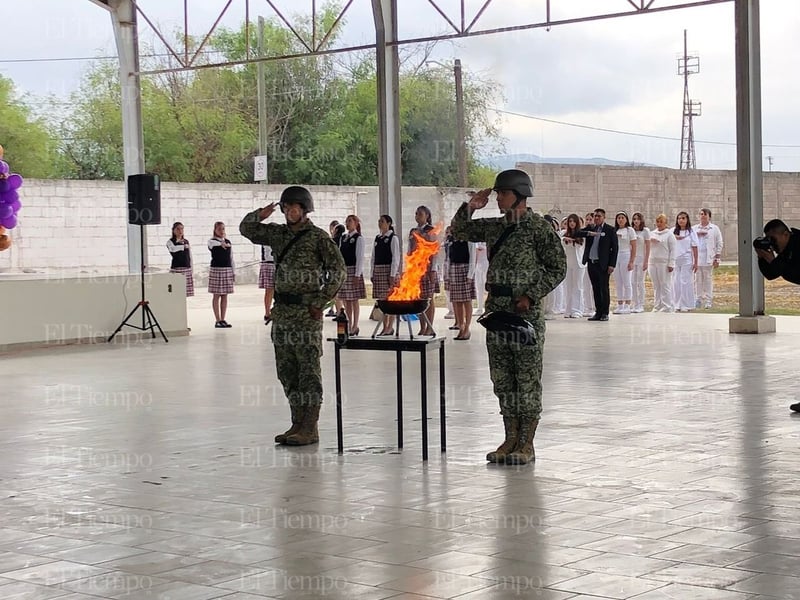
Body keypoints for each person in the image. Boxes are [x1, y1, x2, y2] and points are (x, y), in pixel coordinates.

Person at [451, 169, 566, 465]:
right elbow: (460, 231)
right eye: (498, 193)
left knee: (526, 379)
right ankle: (509, 438)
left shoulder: (538, 228)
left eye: (503, 193)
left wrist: (531, 294)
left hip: (524, 313)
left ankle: (526, 443)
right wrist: (470, 206)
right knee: (502, 378)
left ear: (518, 195)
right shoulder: (495, 227)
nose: (498, 198)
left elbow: (557, 267)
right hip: (497, 310)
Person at [239, 186, 346, 446]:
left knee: (308, 370)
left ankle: (310, 426)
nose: (290, 212)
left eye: (295, 208)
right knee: (287, 370)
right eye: (287, 208)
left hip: (306, 312)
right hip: (283, 312)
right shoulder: (277, 234)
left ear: (305, 210)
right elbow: (247, 230)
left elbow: (339, 271)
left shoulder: (318, 238)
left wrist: (321, 302)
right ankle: (297, 422)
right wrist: (259, 214)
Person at [755, 219, 800, 413]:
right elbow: (773, 274)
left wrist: (775, 261)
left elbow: (797, 275)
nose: (772, 244)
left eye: (773, 240)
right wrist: (763, 258)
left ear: (785, 234)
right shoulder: (784, 249)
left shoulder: (799, 245)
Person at [582, 208, 619, 321]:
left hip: (603, 264)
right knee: (595, 288)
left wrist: (612, 265)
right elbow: (577, 233)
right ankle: (598, 312)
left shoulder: (610, 230)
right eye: (595, 216)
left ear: (604, 217)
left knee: (604, 288)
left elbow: (615, 248)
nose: (597, 218)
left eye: (599, 216)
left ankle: (605, 313)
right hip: (591, 263)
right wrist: (588, 232)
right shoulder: (591, 228)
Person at [409, 205, 439, 335]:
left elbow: (435, 252)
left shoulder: (431, 230)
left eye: (420, 214)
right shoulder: (413, 231)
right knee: (419, 298)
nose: (417, 216)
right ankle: (422, 326)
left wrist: (433, 269)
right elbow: (409, 250)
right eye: (416, 213)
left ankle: (429, 326)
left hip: (427, 267)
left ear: (427, 216)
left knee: (428, 298)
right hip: (416, 268)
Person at [371, 214, 401, 336]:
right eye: (379, 221)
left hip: (388, 270)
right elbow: (373, 257)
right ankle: (384, 326)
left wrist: (392, 274)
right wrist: (372, 272)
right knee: (382, 300)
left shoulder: (393, 238)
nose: (380, 223)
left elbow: (396, 257)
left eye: (382, 221)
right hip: (378, 270)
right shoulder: (377, 238)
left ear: (388, 223)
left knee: (390, 299)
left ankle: (390, 326)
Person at [445, 226, 476, 340]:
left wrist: (470, 275)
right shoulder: (451, 240)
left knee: (466, 301)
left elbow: (473, 257)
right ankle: (461, 326)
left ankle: (467, 328)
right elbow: (449, 258)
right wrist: (448, 274)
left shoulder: (469, 240)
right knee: (457, 301)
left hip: (465, 269)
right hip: (454, 269)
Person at [338, 214, 366, 336]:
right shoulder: (343, 238)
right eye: (347, 221)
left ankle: (355, 325)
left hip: (354, 269)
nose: (347, 223)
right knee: (346, 299)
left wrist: (357, 274)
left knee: (354, 300)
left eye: (350, 221)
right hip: (345, 270)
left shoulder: (358, 238)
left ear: (356, 223)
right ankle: (349, 324)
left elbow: (360, 257)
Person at [695, 208, 724, 309]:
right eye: (701, 214)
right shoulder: (695, 229)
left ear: (709, 217)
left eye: (705, 214)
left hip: (708, 258)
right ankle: (698, 299)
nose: (703, 216)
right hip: (697, 258)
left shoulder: (714, 228)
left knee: (707, 279)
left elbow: (719, 243)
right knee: (698, 279)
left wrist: (717, 257)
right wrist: (698, 234)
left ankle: (708, 300)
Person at [648, 213, 677, 312]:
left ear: (666, 223)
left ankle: (667, 305)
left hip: (664, 262)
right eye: (658, 222)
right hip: (652, 261)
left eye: (661, 222)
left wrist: (671, 263)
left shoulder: (669, 234)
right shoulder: (652, 233)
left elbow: (673, 250)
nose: (659, 224)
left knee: (665, 284)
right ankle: (657, 305)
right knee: (656, 285)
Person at [208, 221, 234, 328]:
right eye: (219, 229)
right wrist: (221, 243)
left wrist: (233, 271)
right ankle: (217, 319)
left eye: (223, 229)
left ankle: (223, 319)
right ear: (215, 230)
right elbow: (213, 244)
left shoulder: (228, 242)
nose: (221, 231)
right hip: (216, 269)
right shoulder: (212, 241)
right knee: (216, 295)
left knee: (225, 295)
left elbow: (232, 258)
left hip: (227, 269)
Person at [560, 213, 586, 318]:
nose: (571, 223)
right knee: (569, 287)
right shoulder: (563, 233)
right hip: (568, 262)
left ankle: (577, 310)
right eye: (570, 221)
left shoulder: (582, 234)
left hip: (579, 263)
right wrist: (565, 239)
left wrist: (574, 240)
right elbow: (559, 241)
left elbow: (582, 246)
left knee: (578, 286)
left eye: (573, 221)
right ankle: (569, 309)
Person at [672, 211, 699, 312]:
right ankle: (677, 304)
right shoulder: (673, 231)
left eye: (683, 218)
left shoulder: (691, 232)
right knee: (676, 282)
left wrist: (696, 262)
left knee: (685, 282)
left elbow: (695, 247)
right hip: (675, 260)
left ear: (687, 220)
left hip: (686, 259)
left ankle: (686, 304)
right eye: (679, 218)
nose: (681, 220)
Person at [612, 211, 637, 314]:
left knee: (626, 281)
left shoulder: (630, 230)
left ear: (626, 219)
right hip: (616, 256)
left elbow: (634, 246)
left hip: (625, 254)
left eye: (622, 217)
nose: (620, 220)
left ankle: (627, 304)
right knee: (618, 282)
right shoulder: (614, 230)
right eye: (618, 218)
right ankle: (620, 304)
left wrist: (631, 261)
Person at [166, 221, 194, 297]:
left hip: (186, 268)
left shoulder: (186, 241)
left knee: (184, 294)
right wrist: (182, 247)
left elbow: (190, 255)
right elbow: (172, 249)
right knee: (176, 291)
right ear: (173, 230)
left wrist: (191, 268)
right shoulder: (170, 242)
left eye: (182, 229)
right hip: (176, 268)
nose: (180, 231)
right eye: (178, 229)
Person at [631, 212, 651, 313]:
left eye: (638, 219)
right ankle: (635, 303)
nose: (636, 221)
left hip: (641, 258)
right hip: (632, 259)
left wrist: (646, 261)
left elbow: (648, 247)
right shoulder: (631, 231)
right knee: (633, 282)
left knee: (640, 282)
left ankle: (641, 304)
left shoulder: (645, 231)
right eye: (634, 219)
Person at [326, 221, 346, 318]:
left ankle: (338, 312)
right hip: (341, 268)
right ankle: (339, 311)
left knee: (336, 292)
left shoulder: (333, 241)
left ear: (336, 230)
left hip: (334, 269)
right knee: (340, 293)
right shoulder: (344, 240)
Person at [259, 245, 275, 325]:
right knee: (269, 290)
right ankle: (267, 313)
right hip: (269, 264)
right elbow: (268, 254)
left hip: (277, 263)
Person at [473, 241, 489, 315]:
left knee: (488, 287)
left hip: (486, 265)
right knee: (479, 287)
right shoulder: (476, 242)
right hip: (478, 266)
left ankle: (487, 308)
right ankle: (479, 308)